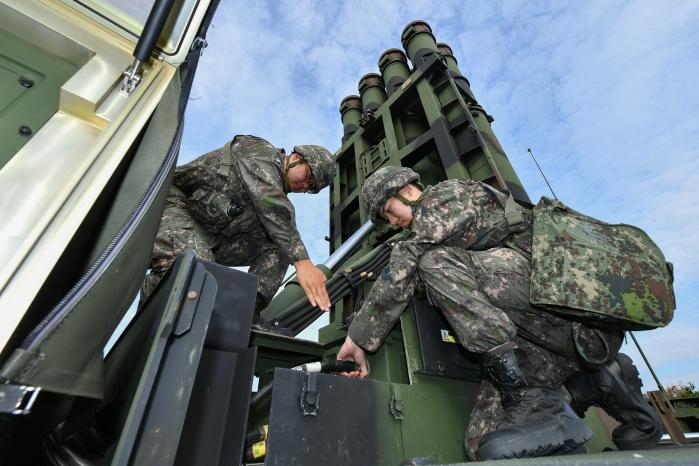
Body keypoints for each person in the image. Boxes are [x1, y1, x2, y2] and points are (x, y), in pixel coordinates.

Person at [336, 166, 662, 460]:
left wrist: (359, 337)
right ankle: (596, 381)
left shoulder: (449, 197)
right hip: (549, 343)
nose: (391, 222)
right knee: (484, 444)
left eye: (387, 211)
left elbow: (408, 260)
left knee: (433, 263)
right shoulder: (440, 225)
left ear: (405, 190)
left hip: (569, 321)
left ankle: (529, 398)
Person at [143, 135, 335, 331]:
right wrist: (303, 262)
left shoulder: (276, 209)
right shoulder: (260, 151)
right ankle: (153, 291)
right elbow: (271, 200)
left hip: (210, 237)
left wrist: (293, 254)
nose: (305, 186)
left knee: (280, 247)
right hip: (173, 205)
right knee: (198, 264)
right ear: (296, 158)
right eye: (309, 177)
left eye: (311, 188)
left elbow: (279, 222)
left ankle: (243, 309)